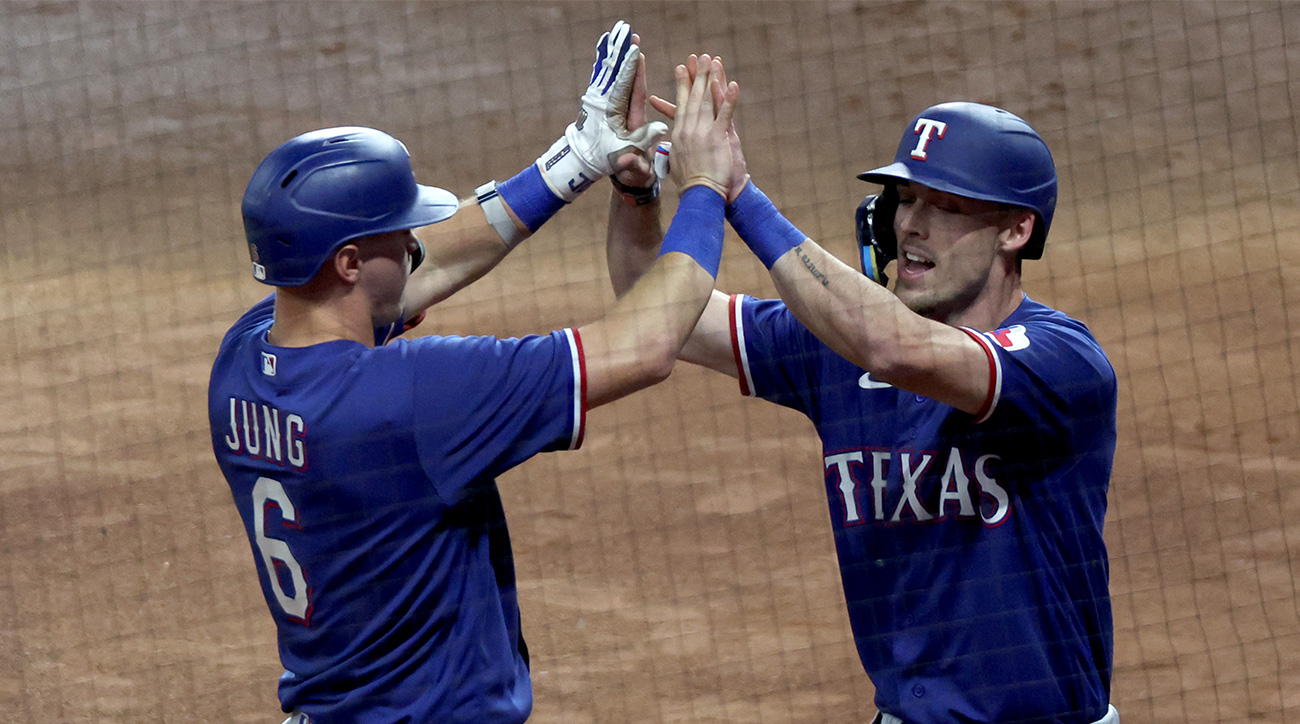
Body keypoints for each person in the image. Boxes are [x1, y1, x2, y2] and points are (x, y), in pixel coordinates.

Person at [207, 17, 741, 723]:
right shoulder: (414, 397)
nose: (413, 245)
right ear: (346, 264)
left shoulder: (242, 360)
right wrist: (703, 188)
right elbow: (645, 344)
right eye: (398, 236)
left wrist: (579, 157)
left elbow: (439, 257)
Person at [612, 60, 1119, 724]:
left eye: (949, 207)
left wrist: (736, 193)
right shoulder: (835, 347)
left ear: (1016, 231)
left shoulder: (1061, 362)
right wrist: (636, 191)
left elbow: (901, 350)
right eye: (907, 199)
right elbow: (655, 305)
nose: (912, 223)